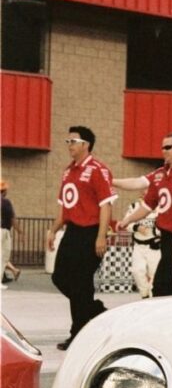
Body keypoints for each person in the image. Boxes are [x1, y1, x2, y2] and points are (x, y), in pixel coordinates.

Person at [47, 126, 117, 351]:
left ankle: (77, 333)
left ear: (86, 144)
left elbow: (105, 205)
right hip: (72, 232)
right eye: (67, 140)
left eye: (73, 141)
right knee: (60, 277)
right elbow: (64, 207)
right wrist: (53, 230)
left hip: (91, 232)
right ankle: (96, 310)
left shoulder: (98, 169)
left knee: (81, 283)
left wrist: (100, 237)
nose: (69, 145)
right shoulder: (68, 171)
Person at [117, 132, 172, 296]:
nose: (163, 151)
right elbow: (147, 204)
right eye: (162, 148)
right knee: (165, 282)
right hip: (165, 236)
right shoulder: (159, 174)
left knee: (163, 284)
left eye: (168, 147)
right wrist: (127, 220)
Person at [1, 179, 22, 286]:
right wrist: (20, 232)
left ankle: (13, 271)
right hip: (4, 232)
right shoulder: (6, 202)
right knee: (3, 256)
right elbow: (12, 219)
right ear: (4, 191)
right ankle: (12, 271)